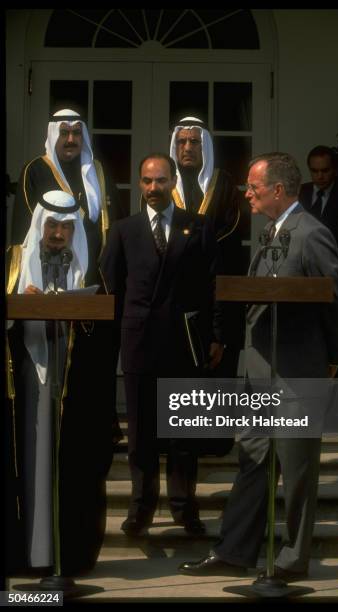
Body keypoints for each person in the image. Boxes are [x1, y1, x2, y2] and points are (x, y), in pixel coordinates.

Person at [178, 152, 338, 580]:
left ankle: (292, 559)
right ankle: (234, 552)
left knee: (296, 470)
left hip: (296, 373)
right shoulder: (271, 233)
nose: (246, 194)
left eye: (253, 187)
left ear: (277, 190)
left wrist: (331, 360)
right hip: (257, 372)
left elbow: (336, 301)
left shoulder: (311, 234)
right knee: (252, 462)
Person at [100, 153, 223, 537]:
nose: (154, 188)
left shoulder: (197, 227)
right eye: (147, 181)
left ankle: (185, 509)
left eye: (161, 180)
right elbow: (110, 289)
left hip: (183, 344)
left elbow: (212, 288)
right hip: (138, 343)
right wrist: (106, 343)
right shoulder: (123, 230)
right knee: (141, 435)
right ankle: (141, 509)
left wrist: (217, 335)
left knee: (183, 435)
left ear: (173, 182)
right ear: (140, 184)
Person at [6, 190, 113, 576]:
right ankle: (26, 558)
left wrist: (75, 311)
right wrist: (21, 305)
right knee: (26, 469)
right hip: (23, 386)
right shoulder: (14, 264)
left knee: (68, 470)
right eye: (51, 225)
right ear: (39, 224)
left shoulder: (89, 269)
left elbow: (102, 332)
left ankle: (64, 559)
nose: (57, 234)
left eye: (66, 228)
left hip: (70, 390)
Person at [10, 107, 123, 445]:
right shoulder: (35, 170)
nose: (71, 139)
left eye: (77, 133)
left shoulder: (98, 172)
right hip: (44, 285)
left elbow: (111, 224)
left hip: (93, 284)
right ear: (54, 136)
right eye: (65, 133)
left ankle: (97, 429)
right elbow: (23, 233)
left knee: (91, 367)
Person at [169, 116, 245, 379]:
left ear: (205, 146)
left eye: (194, 141)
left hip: (215, 284)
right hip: (175, 285)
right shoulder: (164, 184)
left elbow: (233, 226)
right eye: (181, 141)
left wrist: (198, 250)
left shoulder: (223, 182)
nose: (187, 147)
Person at [299, 145, 338, 285]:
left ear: (335, 170)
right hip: (303, 269)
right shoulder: (299, 193)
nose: (320, 176)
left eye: (325, 170)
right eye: (314, 171)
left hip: (336, 267)